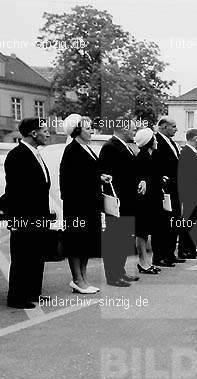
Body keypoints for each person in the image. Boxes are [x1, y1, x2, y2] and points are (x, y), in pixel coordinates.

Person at [3, 118, 53, 309]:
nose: (47, 134)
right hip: (24, 216)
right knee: (22, 257)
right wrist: (15, 220)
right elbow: (14, 191)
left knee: (36, 255)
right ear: (34, 133)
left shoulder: (35, 153)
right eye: (45, 131)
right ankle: (16, 297)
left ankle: (33, 292)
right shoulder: (18, 155)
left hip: (38, 215)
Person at [60, 114, 111, 293]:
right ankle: (77, 279)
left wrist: (100, 177)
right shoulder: (72, 150)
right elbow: (71, 179)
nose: (91, 130)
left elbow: (87, 173)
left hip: (90, 204)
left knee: (86, 242)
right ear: (77, 130)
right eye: (88, 128)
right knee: (76, 242)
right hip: (78, 205)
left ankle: (82, 279)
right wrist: (95, 179)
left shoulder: (86, 148)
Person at [97, 117, 143, 286]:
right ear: (123, 129)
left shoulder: (125, 147)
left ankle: (120, 271)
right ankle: (113, 275)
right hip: (118, 202)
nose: (134, 132)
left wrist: (140, 181)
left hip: (128, 200)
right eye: (133, 129)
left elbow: (132, 171)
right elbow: (107, 175)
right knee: (115, 240)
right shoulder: (110, 147)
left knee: (123, 239)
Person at [152, 117, 184, 267]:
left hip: (176, 187)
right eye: (174, 126)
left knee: (174, 220)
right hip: (166, 188)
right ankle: (160, 256)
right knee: (164, 222)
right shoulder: (156, 140)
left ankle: (170, 253)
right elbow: (157, 164)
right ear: (164, 126)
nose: (176, 129)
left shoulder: (172, 142)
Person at [133, 128, 161, 275]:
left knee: (145, 232)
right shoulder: (142, 157)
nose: (156, 141)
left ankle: (146, 262)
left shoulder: (152, 156)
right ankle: (143, 262)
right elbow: (140, 179)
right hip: (143, 202)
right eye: (154, 139)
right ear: (149, 142)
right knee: (141, 231)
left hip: (152, 200)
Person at [177, 128, 197, 258]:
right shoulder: (185, 152)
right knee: (187, 222)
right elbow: (185, 175)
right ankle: (184, 250)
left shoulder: (194, 152)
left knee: (192, 222)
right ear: (194, 138)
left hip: (196, 192)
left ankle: (191, 248)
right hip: (189, 194)